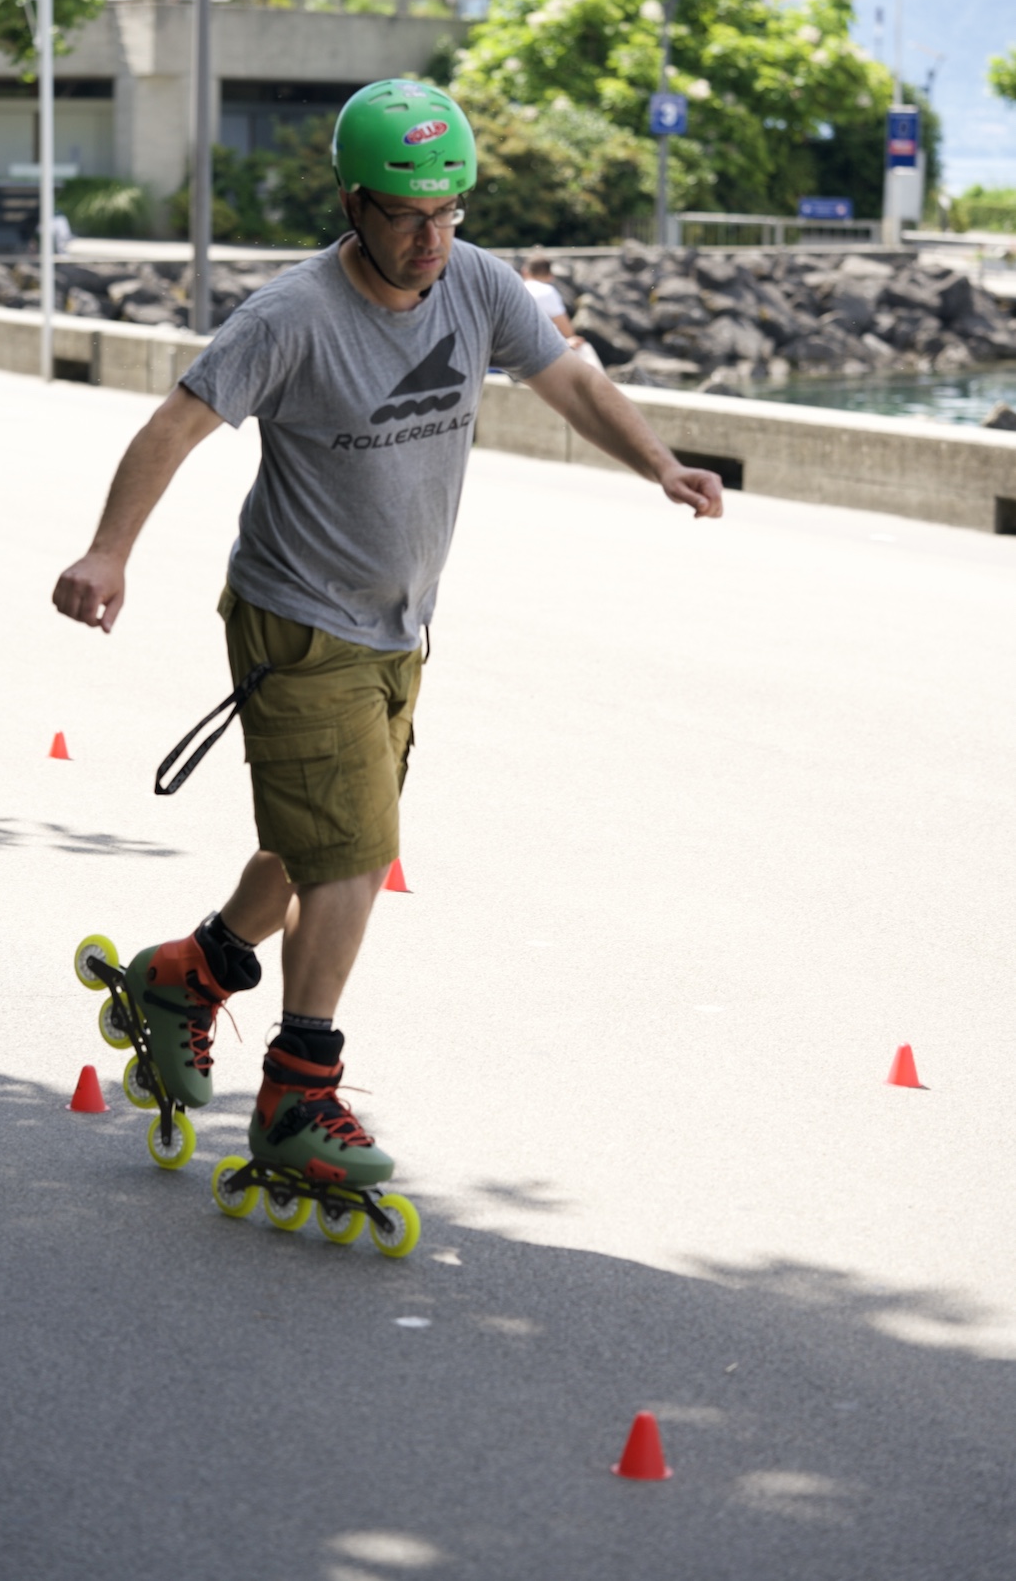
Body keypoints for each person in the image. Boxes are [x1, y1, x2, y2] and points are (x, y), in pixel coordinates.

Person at [52, 80, 723, 1193]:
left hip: (400, 627)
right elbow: (176, 425)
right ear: (352, 203)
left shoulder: (477, 283)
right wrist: (108, 551)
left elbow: (569, 377)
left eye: (448, 212)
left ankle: (187, 975)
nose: (431, 239)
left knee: (314, 840)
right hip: (299, 621)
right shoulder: (292, 316)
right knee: (354, 853)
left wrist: (660, 464)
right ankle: (297, 1092)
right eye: (408, 215)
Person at [520, 249, 604, 369]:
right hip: (533, 356)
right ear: (550, 275)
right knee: (582, 348)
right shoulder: (546, 291)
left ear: (524, 272)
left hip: (511, 353)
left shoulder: (517, 290)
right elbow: (567, 332)